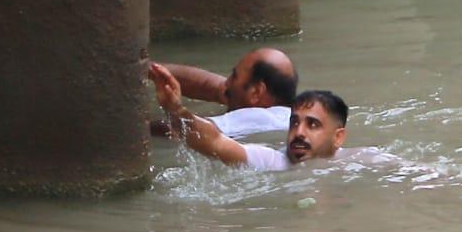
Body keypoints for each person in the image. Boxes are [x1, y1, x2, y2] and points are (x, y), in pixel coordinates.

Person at [149, 62, 394, 171]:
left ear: (338, 137)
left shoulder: (365, 159)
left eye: (313, 125)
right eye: (294, 122)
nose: (299, 132)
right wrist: (175, 109)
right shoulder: (273, 161)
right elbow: (214, 142)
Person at [151, 48, 297, 138]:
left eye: (234, 77)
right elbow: (211, 85)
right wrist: (149, 69)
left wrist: (172, 108)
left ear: (256, 93)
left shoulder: (259, 117)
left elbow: (187, 129)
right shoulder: (291, 112)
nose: (227, 82)